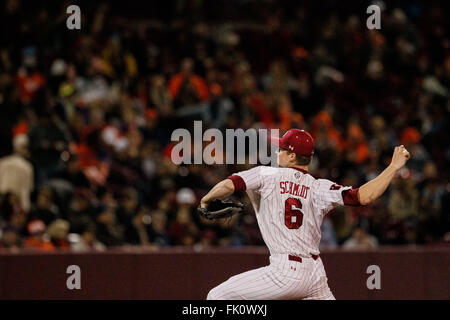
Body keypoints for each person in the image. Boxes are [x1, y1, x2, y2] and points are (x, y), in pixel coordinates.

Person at [200, 129, 410, 300]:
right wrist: (393, 167)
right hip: (315, 273)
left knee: (217, 297)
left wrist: (205, 200)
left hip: (285, 271)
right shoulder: (320, 187)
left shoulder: (267, 174)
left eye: (281, 148)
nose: (277, 151)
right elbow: (364, 196)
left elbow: (229, 184)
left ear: (292, 156)